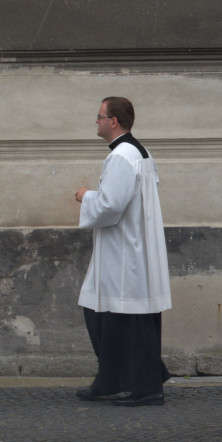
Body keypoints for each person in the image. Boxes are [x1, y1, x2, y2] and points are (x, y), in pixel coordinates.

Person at [74, 96, 172, 407]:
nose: (97, 121)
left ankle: (145, 387)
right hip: (131, 245)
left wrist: (86, 196)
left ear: (114, 121)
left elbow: (110, 205)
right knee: (104, 312)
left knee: (123, 317)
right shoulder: (139, 152)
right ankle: (111, 380)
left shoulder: (121, 156)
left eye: (100, 116)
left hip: (124, 250)